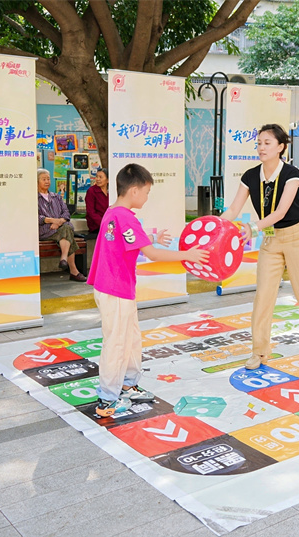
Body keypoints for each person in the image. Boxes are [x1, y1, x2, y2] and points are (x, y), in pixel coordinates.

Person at [221, 124, 299, 370]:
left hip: (298, 236)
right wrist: (215, 225)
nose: (261, 147)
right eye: (259, 143)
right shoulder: (250, 176)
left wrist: (253, 228)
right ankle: (259, 351)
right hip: (271, 239)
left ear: (280, 147)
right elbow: (233, 209)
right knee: (263, 296)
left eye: (267, 143)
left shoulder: (292, 173)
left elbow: (280, 211)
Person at [88, 163, 208, 417]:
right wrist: (188, 255)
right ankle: (107, 399)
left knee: (130, 338)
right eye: (146, 192)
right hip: (115, 289)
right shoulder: (125, 217)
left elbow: (131, 241)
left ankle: (128, 384)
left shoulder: (114, 213)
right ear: (134, 191)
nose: (146, 197)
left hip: (117, 288)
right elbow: (151, 255)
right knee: (116, 343)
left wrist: (152, 238)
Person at [37, 168, 88, 282]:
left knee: (66, 229)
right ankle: (72, 269)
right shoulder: (34, 198)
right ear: (37, 181)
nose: (47, 181)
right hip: (45, 230)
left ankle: (66, 261)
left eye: (48, 179)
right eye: (44, 179)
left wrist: (59, 221)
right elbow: (35, 217)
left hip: (60, 229)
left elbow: (66, 212)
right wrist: (52, 221)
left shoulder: (56, 196)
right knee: (68, 230)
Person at [85, 167, 109, 236]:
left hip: (109, 224)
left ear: (108, 180)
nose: (97, 179)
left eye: (100, 177)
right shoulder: (91, 191)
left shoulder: (111, 192)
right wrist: (104, 224)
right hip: (96, 226)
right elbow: (91, 212)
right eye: (97, 177)